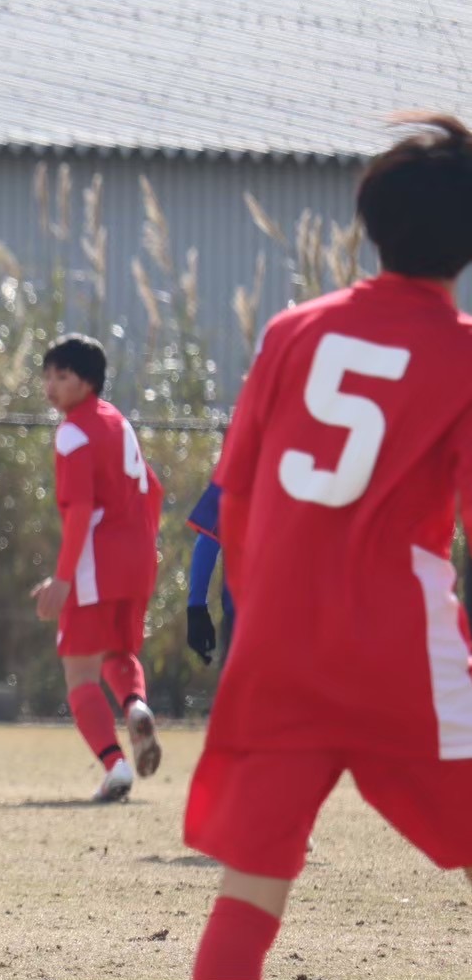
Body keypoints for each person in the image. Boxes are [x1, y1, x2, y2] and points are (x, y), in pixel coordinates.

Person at [185, 113, 472, 980]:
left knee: (251, 885)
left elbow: (236, 498)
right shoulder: (461, 355)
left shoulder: (292, 330)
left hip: (279, 650)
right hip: (397, 652)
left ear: (369, 221)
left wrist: (259, 620)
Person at [32, 334, 163, 802]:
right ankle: (136, 705)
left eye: (62, 376)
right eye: (47, 375)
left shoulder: (73, 431)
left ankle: (115, 767)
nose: (51, 385)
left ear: (87, 382)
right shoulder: (117, 421)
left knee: (80, 674)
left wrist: (63, 579)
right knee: (118, 654)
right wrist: (144, 546)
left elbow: (82, 510)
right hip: (138, 558)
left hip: (94, 564)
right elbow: (154, 488)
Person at [186, 480, 235, 666]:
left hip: (245, 618)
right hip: (307, 617)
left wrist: (196, 606)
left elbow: (209, 536)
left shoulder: (247, 463)